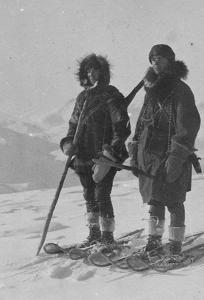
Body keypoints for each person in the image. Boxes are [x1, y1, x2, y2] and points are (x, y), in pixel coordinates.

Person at [129, 44, 200, 258]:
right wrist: (135, 152)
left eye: (160, 58)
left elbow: (187, 125)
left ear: (170, 60)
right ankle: (153, 241)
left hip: (172, 155)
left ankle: (175, 245)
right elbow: (141, 123)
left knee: (174, 200)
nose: (155, 62)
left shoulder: (180, 90)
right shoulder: (150, 91)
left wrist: (176, 157)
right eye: (152, 58)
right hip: (150, 156)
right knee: (155, 200)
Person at [60, 53, 130, 248]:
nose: (91, 73)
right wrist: (68, 144)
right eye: (88, 70)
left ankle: (107, 237)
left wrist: (111, 151)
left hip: (105, 156)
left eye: (95, 69)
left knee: (102, 195)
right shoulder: (82, 97)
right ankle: (94, 234)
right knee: (89, 195)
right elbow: (73, 125)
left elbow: (121, 126)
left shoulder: (111, 94)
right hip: (83, 156)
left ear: (103, 72)